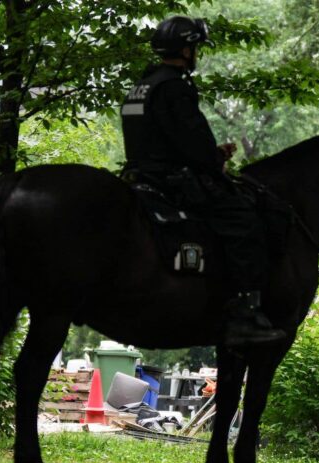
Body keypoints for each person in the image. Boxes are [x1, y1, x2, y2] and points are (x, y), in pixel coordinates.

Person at [120, 16, 284, 347]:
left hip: (137, 175)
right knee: (243, 218)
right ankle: (244, 311)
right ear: (185, 49)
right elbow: (191, 143)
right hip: (170, 180)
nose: (196, 53)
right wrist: (215, 159)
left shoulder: (142, 86)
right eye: (194, 47)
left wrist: (209, 152)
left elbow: (160, 136)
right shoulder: (175, 86)